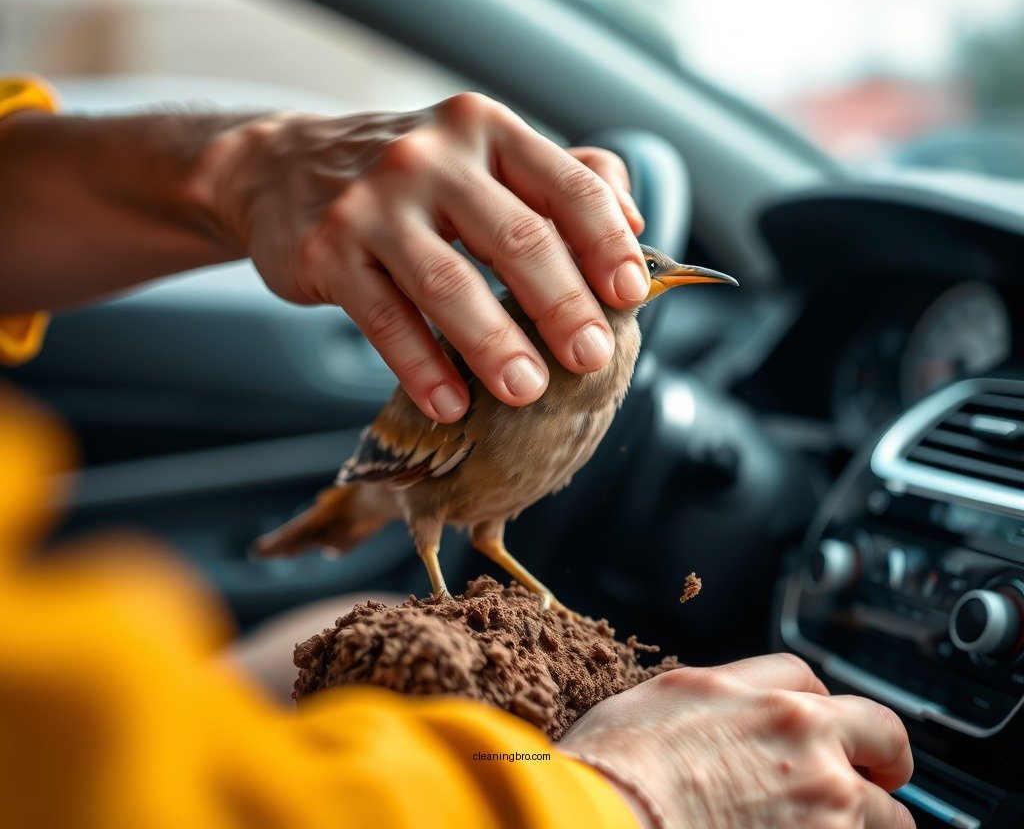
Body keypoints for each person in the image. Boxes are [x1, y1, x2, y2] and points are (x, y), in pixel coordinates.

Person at [0, 75, 915, 828]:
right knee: (433, 558)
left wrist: (239, 166)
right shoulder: (499, 374)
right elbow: (93, 780)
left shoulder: (611, 355)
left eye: (663, 272)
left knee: (433, 570)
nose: (659, 279)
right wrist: (639, 797)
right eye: (653, 269)